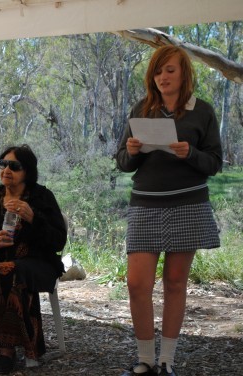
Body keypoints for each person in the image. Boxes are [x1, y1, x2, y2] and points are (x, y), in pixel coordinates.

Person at [116, 45, 222, 376]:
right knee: (137, 284)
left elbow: (215, 163)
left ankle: (166, 361)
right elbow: (122, 162)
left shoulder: (201, 111)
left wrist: (190, 152)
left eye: (170, 70)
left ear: (184, 74)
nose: (163, 76)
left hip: (187, 204)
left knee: (175, 283)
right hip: (145, 204)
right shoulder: (142, 109)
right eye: (158, 71)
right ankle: (145, 359)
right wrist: (133, 151)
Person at [0, 144, 67, 375]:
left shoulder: (42, 197)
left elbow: (57, 242)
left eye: (14, 166)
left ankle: (6, 350)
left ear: (27, 171)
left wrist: (33, 218)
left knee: (9, 270)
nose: (6, 170)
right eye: (3, 164)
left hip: (35, 262)